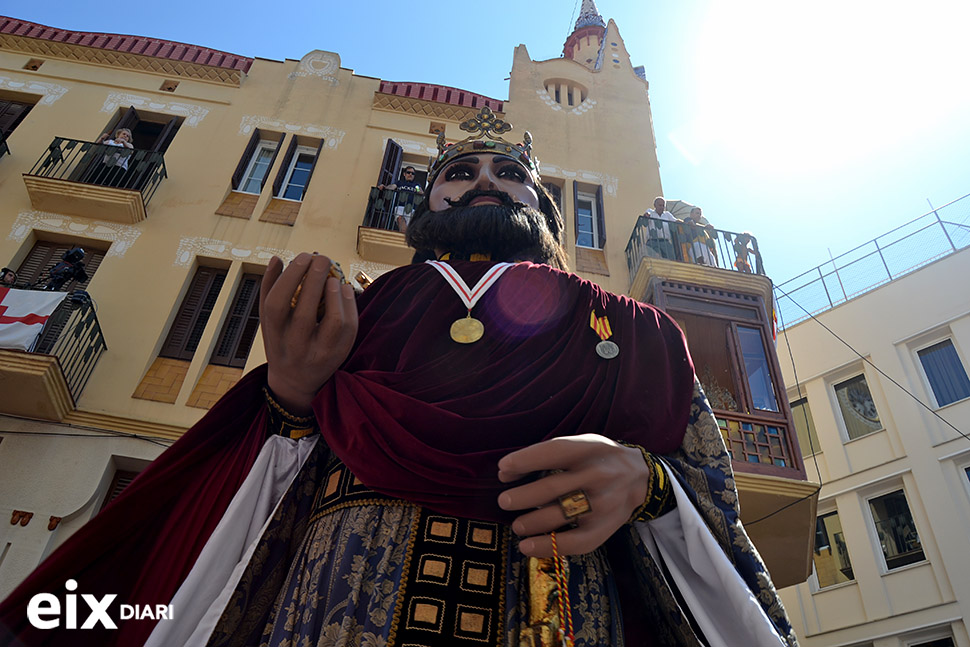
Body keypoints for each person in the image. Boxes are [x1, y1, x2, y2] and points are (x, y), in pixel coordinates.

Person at [0, 107, 797, 647]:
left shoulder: (638, 331)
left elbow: (707, 496)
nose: (484, 181)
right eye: (458, 171)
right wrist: (287, 399)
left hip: (556, 604)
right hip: (341, 605)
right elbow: (266, 492)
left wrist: (647, 484)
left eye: (509, 174)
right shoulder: (352, 311)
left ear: (547, 214)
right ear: (426, 204)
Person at [644, 196, 679, 261]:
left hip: (665, 242)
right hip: (653, 241)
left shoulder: (667, 214)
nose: (662, 207)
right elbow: (646, 216)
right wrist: (647, 215)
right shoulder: (650, 211)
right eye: (660, 205)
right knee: (657, 259)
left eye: (663, 206)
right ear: (655, 205)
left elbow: (676, 221)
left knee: (672, 260)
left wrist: (686, 223)